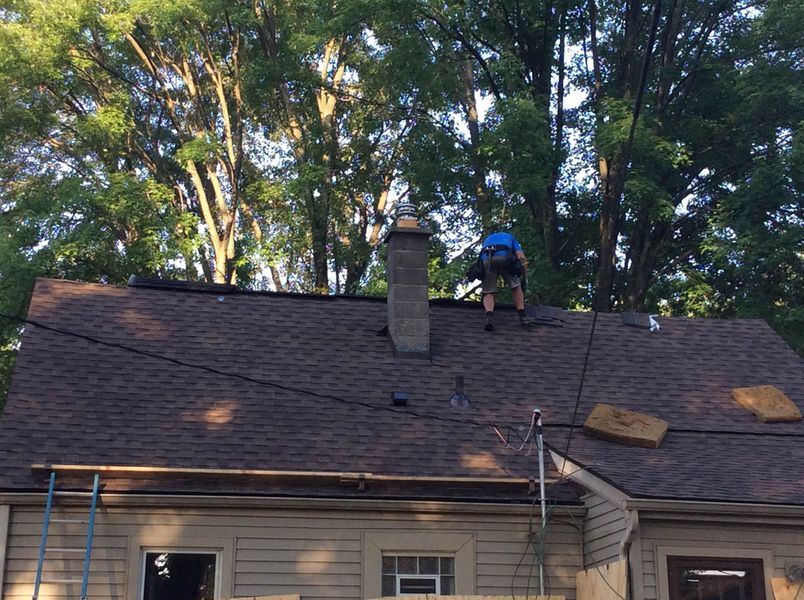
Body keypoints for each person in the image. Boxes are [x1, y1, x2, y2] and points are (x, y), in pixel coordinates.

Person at [479, 231, 535, 330]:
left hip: (486, 259)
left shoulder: (488, 239)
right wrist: (524, 278)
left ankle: (489, 318)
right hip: (504, 257)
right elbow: (521, 257)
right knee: (515, 286)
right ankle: (523, 317)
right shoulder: (511, 238)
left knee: (488, 291)